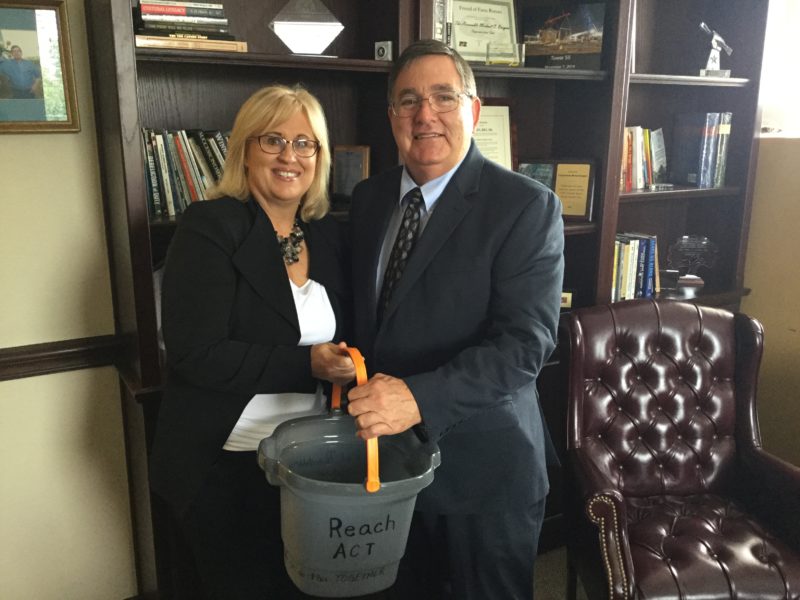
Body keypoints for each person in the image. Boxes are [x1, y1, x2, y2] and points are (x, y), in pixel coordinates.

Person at [347, 39, 565, 599]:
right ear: (392, 116)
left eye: (444, 97)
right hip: (387, 466)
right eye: (408, 100)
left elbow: (525, 344)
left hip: (486, 472)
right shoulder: (368, 198)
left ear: (473, 109)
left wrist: (417, 399)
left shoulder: (526, 205)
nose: (425, 115)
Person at [149, 84, 355, 599]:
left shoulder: (326, 233)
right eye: (273, 140)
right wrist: (308, 364)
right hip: (226, 463)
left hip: (309, 461)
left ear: (319, 158)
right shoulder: (210, 226)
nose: (290, 156)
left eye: (305, 143)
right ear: (245, 150)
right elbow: (197, 353)